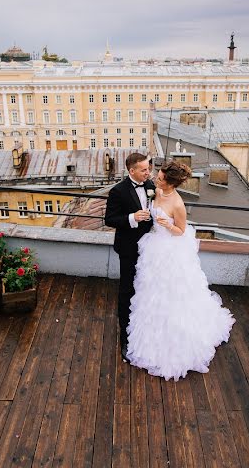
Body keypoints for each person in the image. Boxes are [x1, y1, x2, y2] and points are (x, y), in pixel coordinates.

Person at [126, 160, 235, 381]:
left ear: (170, 182)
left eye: (161, 176)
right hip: (153, 248)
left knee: (173, 294)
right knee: (151, 293)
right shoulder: (155, 191)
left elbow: (181, 231)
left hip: (170, 251)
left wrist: (168, 225)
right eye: (158, 174)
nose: (156, 177)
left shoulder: (178, 204)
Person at [104, 153, 156, 361]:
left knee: (145, 288)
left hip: (150, 248)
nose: (148, 172)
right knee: (127, 290)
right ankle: (125, 336)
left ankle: (144, 326)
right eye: (143, 170)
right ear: (131, 170)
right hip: (128, 249)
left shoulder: (150, 184)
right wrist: (132, 217)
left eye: (148, 168)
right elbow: (110, 219)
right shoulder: (118, 191)